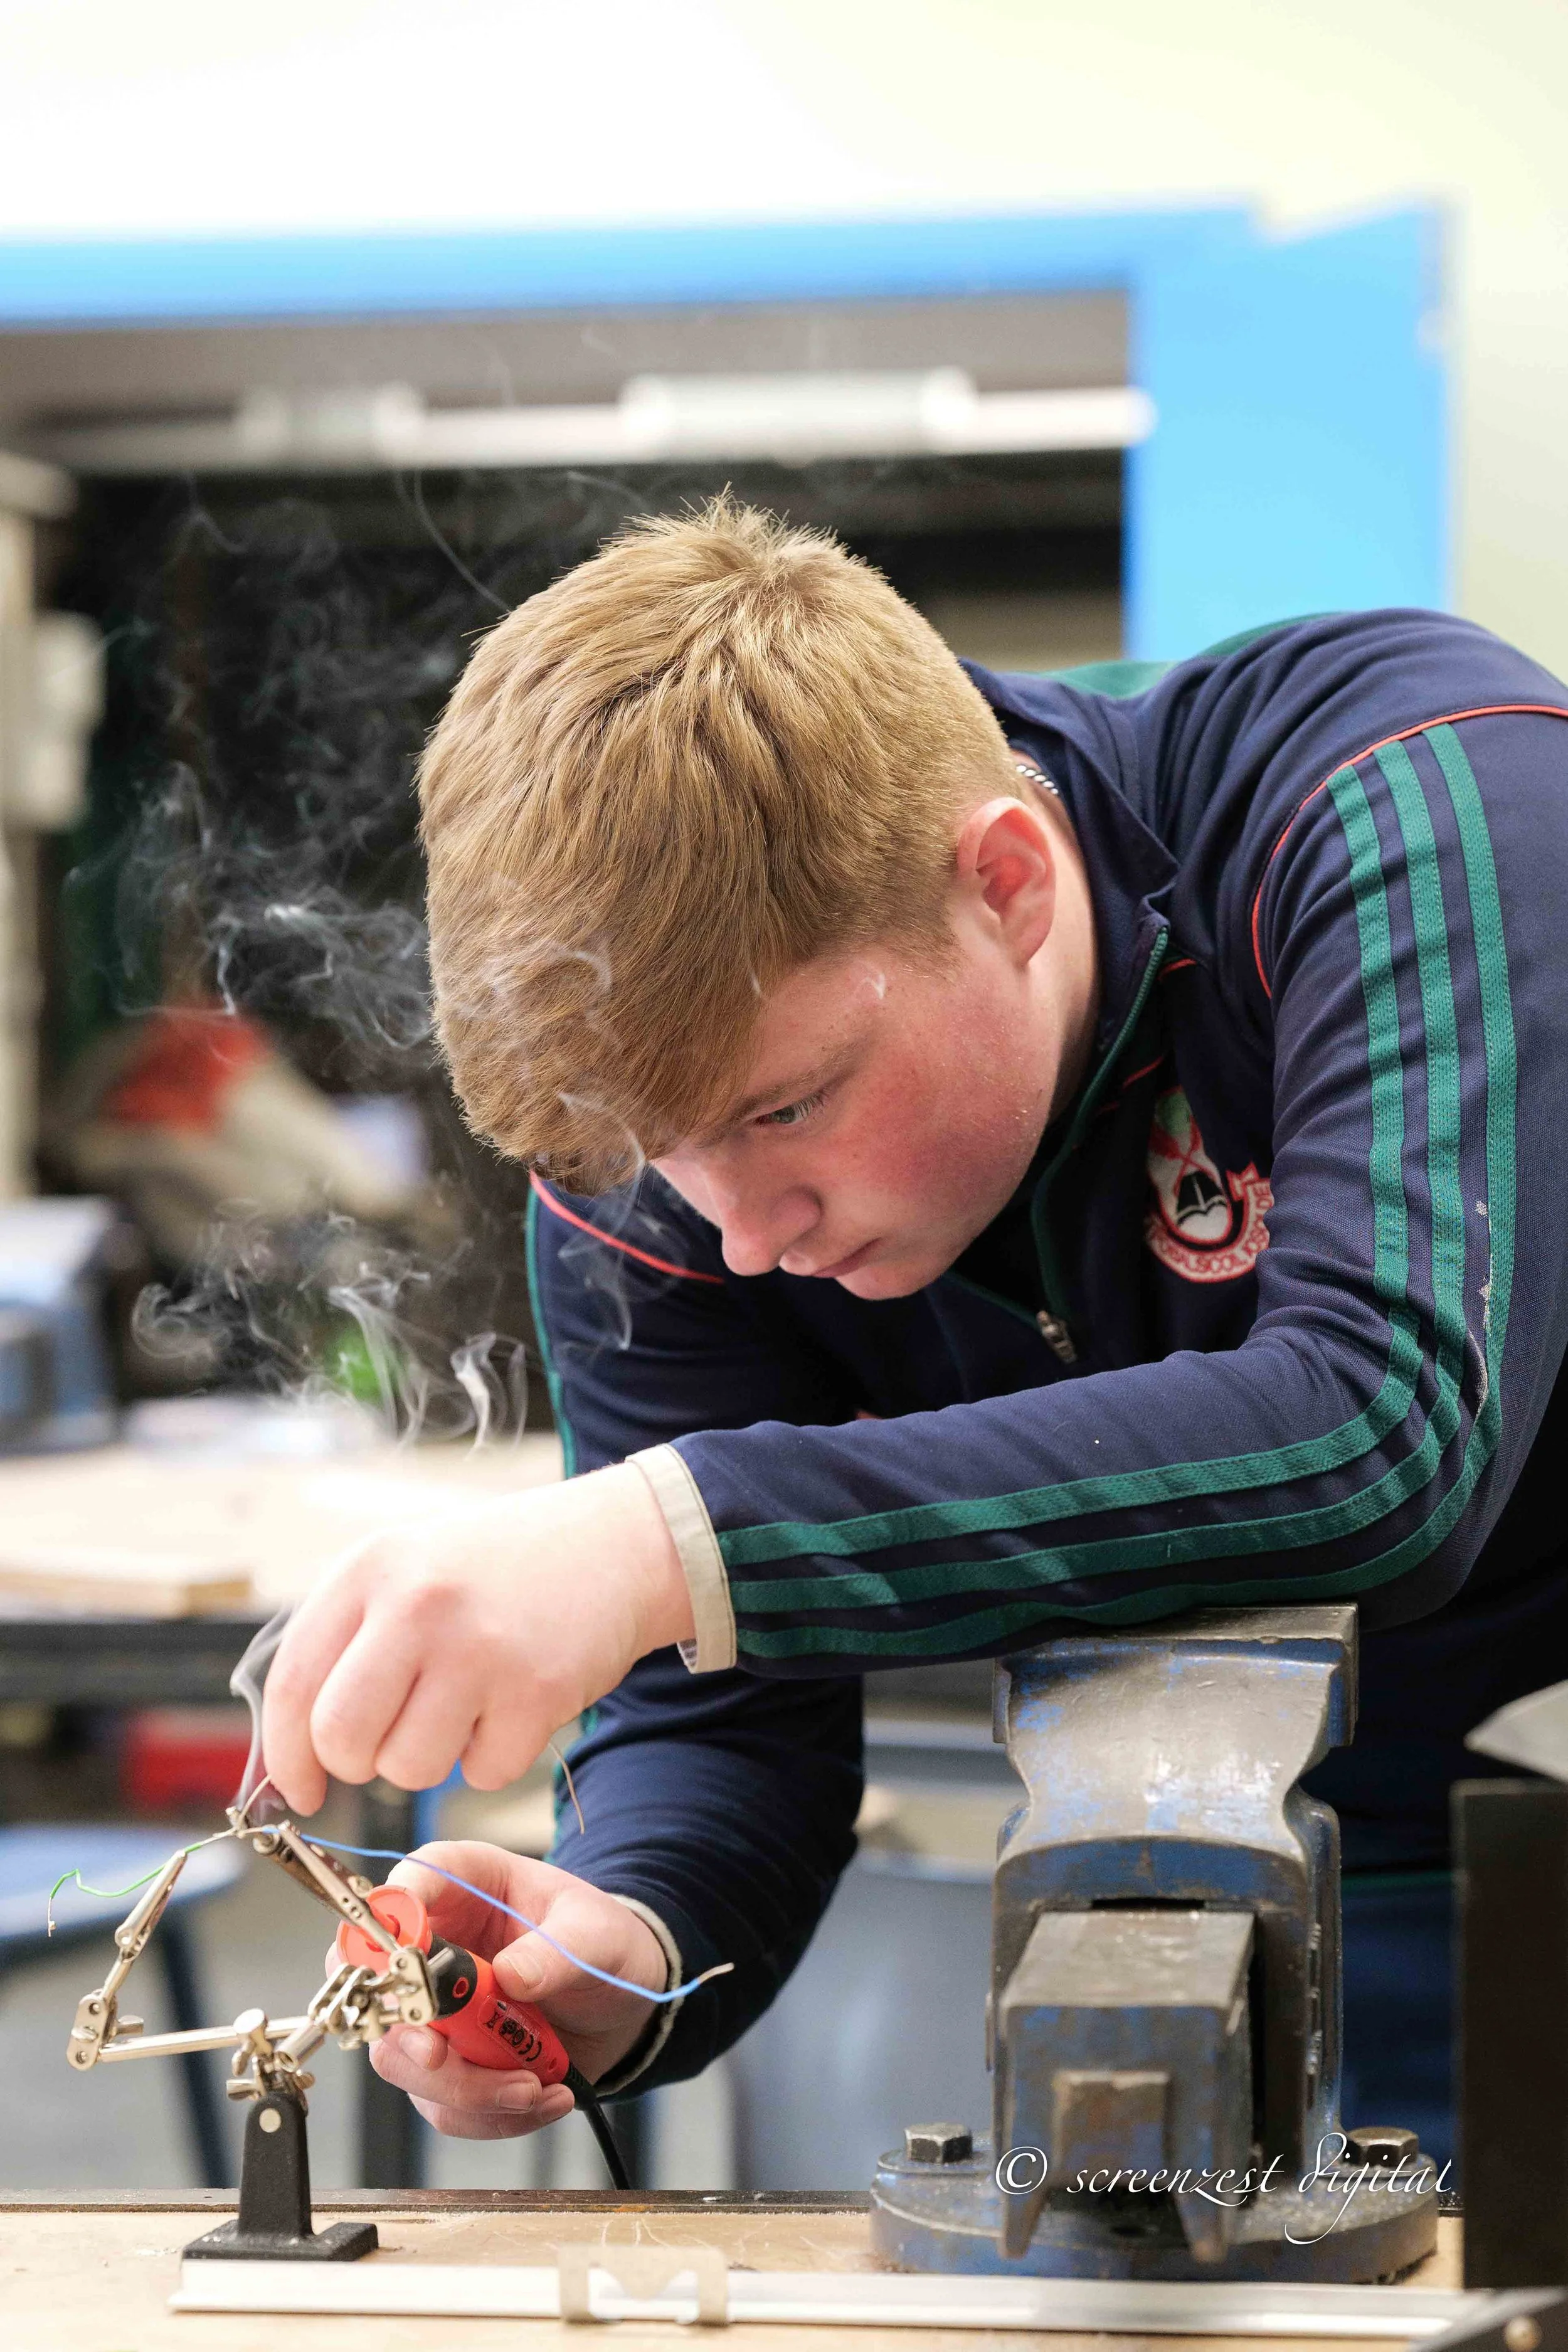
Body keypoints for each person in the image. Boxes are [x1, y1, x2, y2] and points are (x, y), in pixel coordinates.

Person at [262, 501, 1568, 2163]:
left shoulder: (1415, 793)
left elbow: (1381, 1433)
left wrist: (674, 1532)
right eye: (664, 1160)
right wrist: (624, 1939)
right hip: (1267, 1886)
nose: (740, 1230)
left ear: (1007, 886)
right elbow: (721, 1711)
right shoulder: (664, 1162)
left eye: (789, 1106)